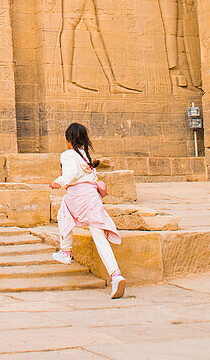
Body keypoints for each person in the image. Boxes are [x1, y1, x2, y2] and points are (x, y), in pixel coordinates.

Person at [50, 122, 126, 299]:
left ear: (69, 139)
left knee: (63, 215)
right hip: (93, 199)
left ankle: (66, 251)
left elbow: (71, 174)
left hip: (78, 198)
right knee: (99, 237)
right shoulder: (86, 156)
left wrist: (58, 182)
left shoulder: (68, 155)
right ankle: (116, 275)